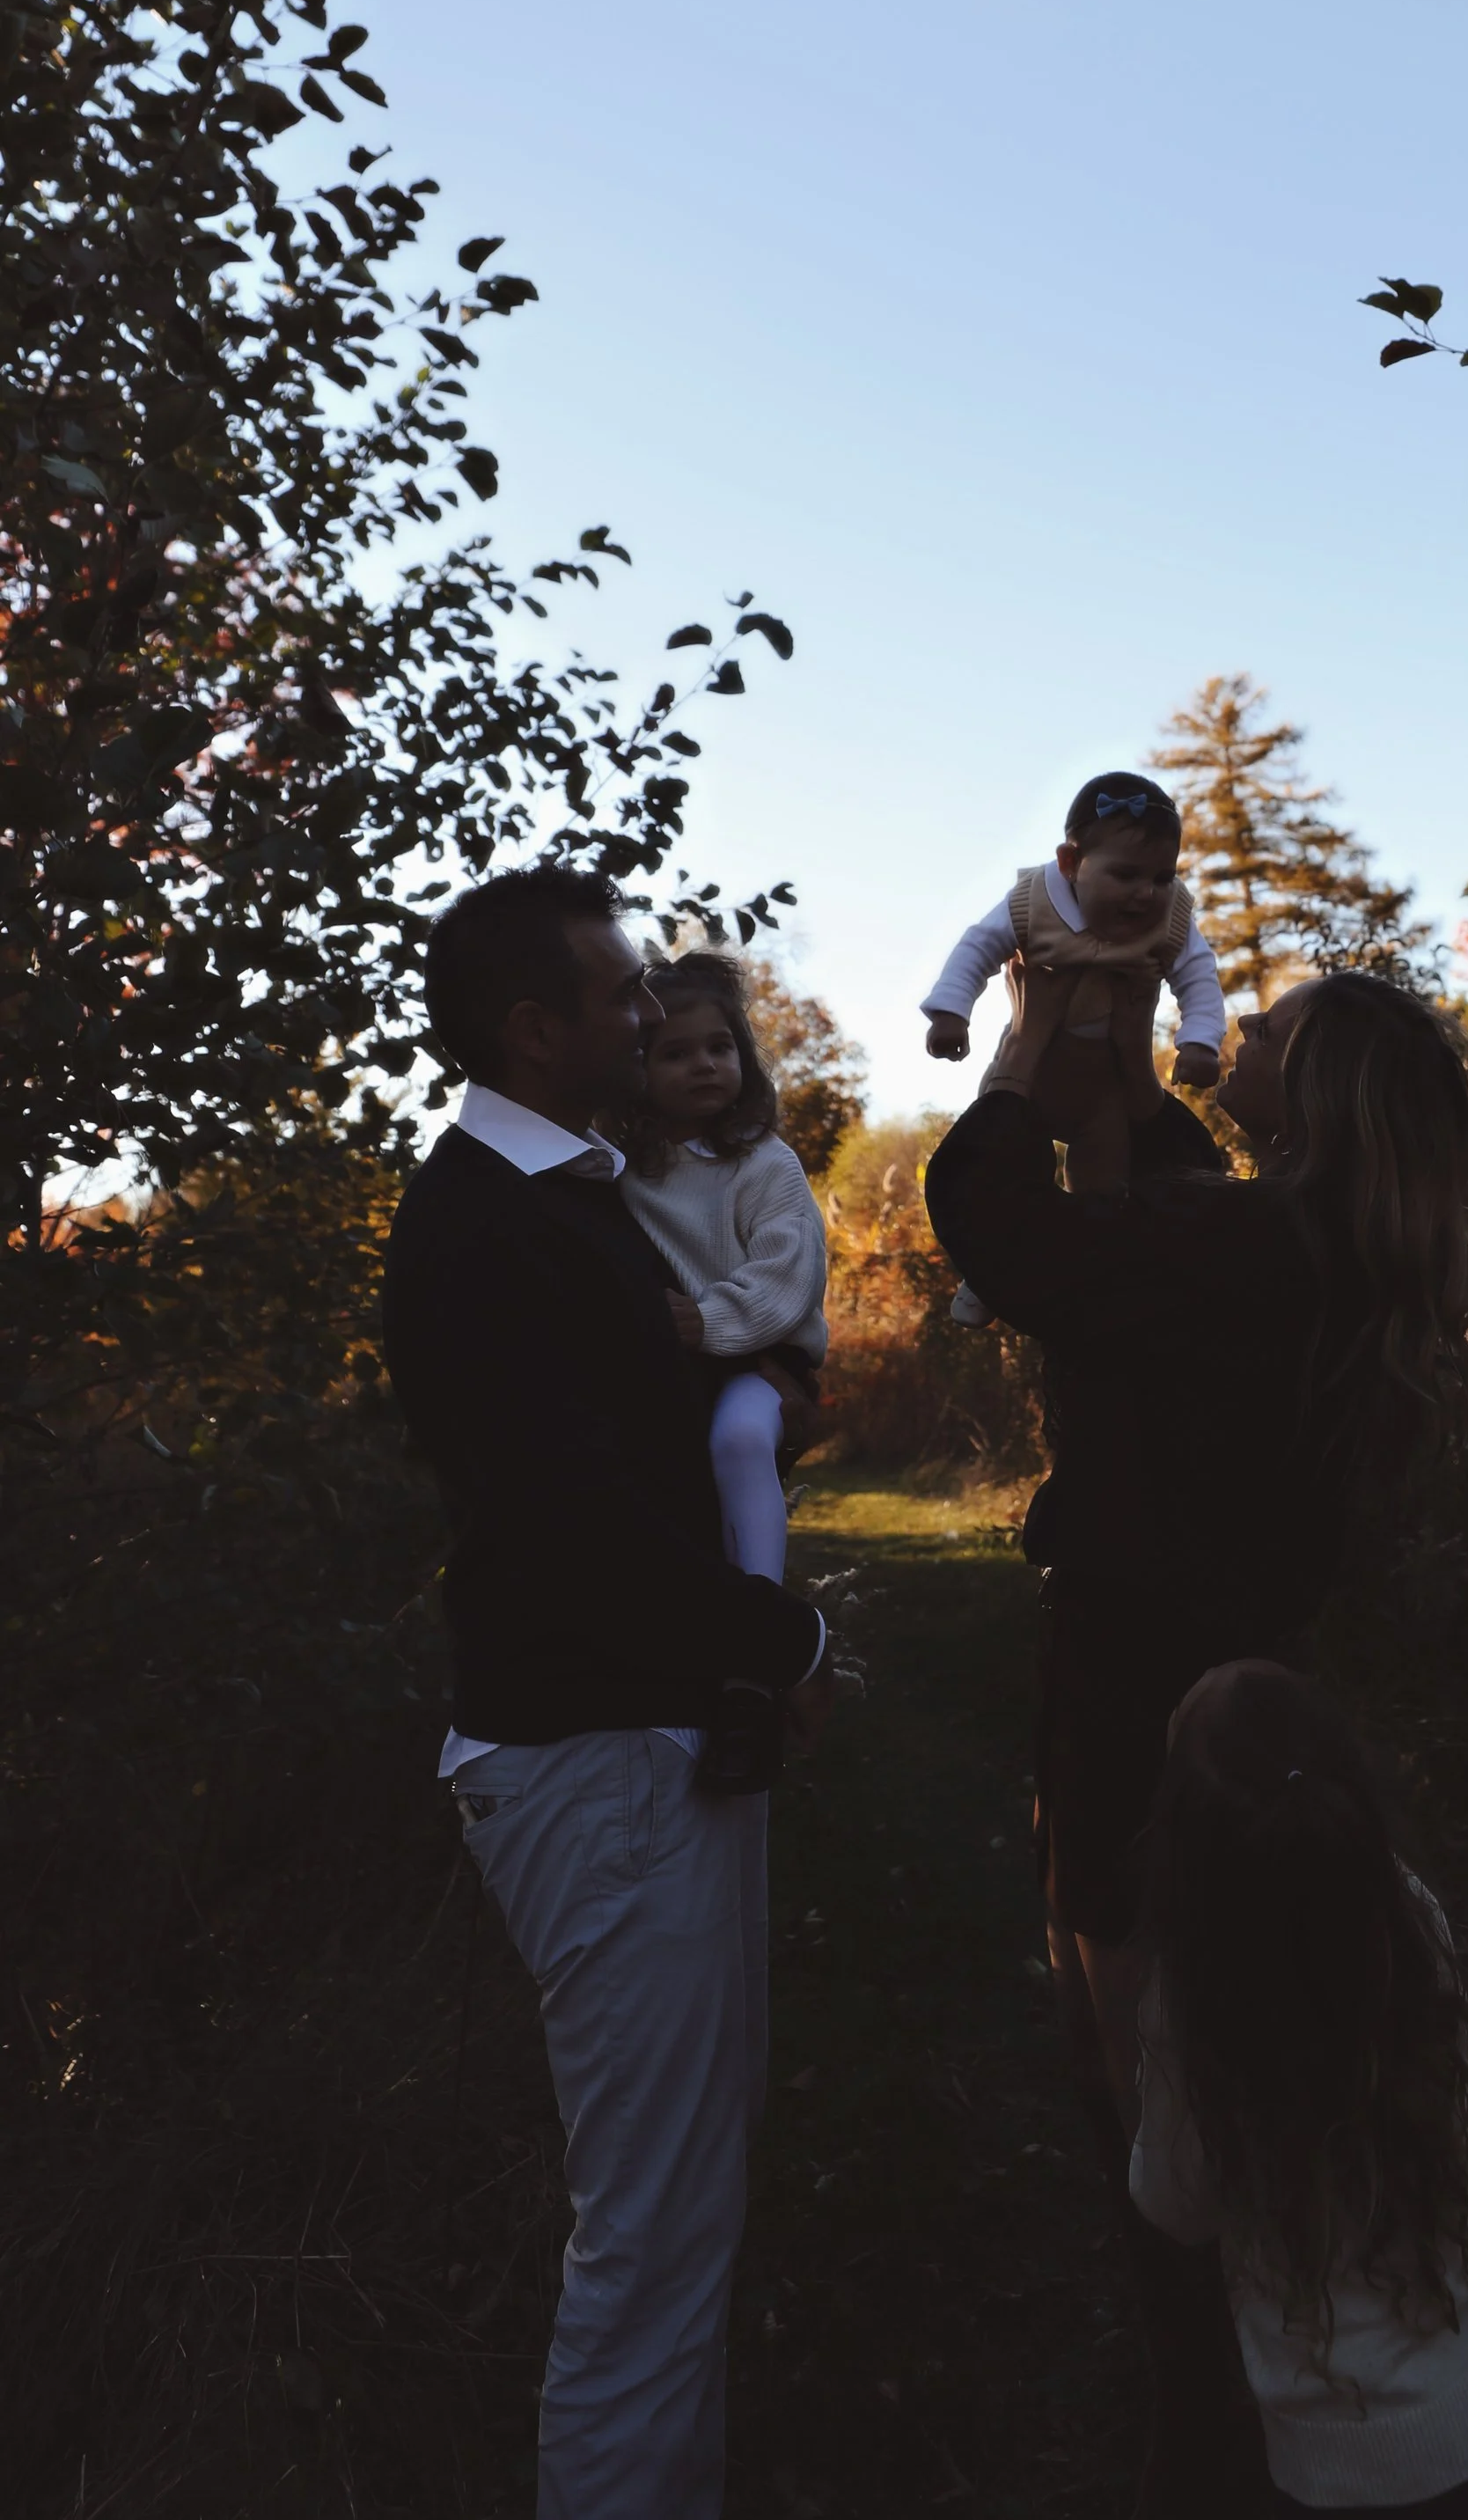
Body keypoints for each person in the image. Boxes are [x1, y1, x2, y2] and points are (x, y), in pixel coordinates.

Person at [924, 967, 1468, 2516]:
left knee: (1148, 2053)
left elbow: (1017, 1244)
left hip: (1136, 1692)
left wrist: (1019, 1083)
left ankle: (1215, 2421)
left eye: (1272, 1028)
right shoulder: (1323, 1255)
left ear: (1304, 1096)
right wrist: (1127, 1083)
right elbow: (1167, 1230)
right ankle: (1278, 2361)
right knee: (1233, 2021)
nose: (1240, 1031)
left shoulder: (1246, 1247)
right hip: (1251, 1676)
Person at [381, 864, 832, 2520]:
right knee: (647, 2237)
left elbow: (626, 1461)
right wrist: (784, 1643)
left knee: (684, 2211)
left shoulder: (576, 1198)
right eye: (623, 994)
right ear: (532, 1027)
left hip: (640, 1743)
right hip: (593, 1765)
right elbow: (566, 1529)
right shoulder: (481, 1232)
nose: (651, 1016)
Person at [1134, 1664, 1468, 2518]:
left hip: (1344, 2459)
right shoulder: (1407, 1913)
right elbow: (1463, 2092)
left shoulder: (1189, 1998)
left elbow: (1173, 2202)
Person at [615, 943, 829, 1598]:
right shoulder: (623, 1165)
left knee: (739, 1441)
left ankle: (760, 1608)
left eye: (720, 1048)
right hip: (672, 1360)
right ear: (638, 1068)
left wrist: (709, 1321)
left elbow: (786, 1274)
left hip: (763, 1358)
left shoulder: (765, 1163)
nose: (704, 1065)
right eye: (676, 1054)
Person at [921, 769, 1228, 1187]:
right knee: (1002, 1142)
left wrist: (1199, 1042)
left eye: (1162, 877)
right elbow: (979, 947)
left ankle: (1090, 1223)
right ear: (1070, 863)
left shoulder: (1170, 918)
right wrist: (951, 1013)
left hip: (1107, 1085)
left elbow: (1198, 976)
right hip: (1030, 1066)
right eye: (1126, 875)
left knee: (1104, 1171)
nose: (1146, 893)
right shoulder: (1034, 901)